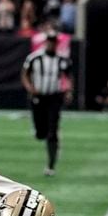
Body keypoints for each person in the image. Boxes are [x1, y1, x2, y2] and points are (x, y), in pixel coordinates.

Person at [21, 30, 73, 176]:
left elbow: (68, 76)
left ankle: (51, 166)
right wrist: (30, 88)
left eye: (53, 41)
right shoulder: (34, 58)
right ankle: (43, 132)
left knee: (52, 132)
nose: (51, 44)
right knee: (40, 133)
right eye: (49, 41)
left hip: (54, 97)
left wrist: (68, 91)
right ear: (46, 42)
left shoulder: (62, 59)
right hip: (38, 97)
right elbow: (25, 74)